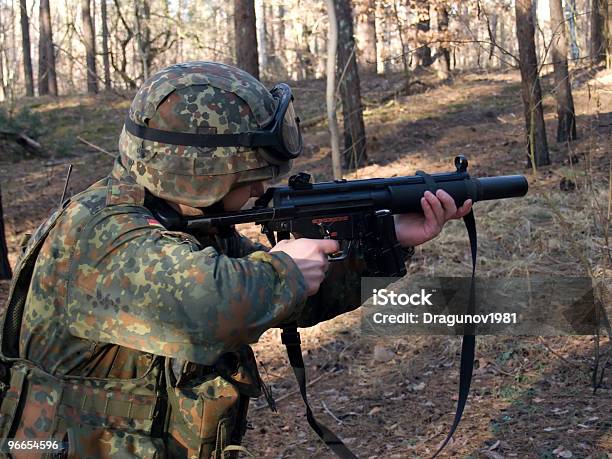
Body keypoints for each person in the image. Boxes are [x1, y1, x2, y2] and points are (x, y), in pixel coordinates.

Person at [0, 61, 471, 458]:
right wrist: (284, 269)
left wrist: (386, 239)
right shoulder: (105, 234)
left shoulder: (179, 223)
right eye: (250, 174)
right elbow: (212, 307)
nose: (262, 189)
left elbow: (294, 301)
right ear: (196, 171)